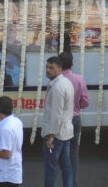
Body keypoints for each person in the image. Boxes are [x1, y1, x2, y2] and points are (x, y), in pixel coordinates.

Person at [41, 56, 74, 187]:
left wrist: (51, 136)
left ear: (60, 69)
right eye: (47, 67)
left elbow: (56, 115)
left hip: (55, 137)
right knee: (66, 167)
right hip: (65, 133)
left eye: (51, 68)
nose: (48, 70)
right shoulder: (65, 82)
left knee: (50, 169)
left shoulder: (57, 88)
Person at [58, 51, 89, 187]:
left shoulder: (55, 80)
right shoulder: (79, 79)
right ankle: (72, 183)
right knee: (74, 154)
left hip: (61, 120)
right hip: (75, 118)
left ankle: (66, 181)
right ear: (72, 63)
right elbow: (86, 102)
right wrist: (76, 106)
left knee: (60, 152)